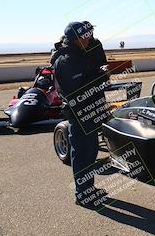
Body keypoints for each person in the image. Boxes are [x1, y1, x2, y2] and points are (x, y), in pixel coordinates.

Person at [54, 21, 109, 209]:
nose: (89, 37)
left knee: (91, 152)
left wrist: (99, 74)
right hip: (79, 113)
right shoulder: (66, 60)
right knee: (81, 153)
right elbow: (78, 89)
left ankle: (88, 189)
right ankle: (82, 195)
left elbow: (89, 76)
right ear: (76, 39)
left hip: (90, 110)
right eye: (85, 35)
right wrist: (99, 76)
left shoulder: (80, 54)